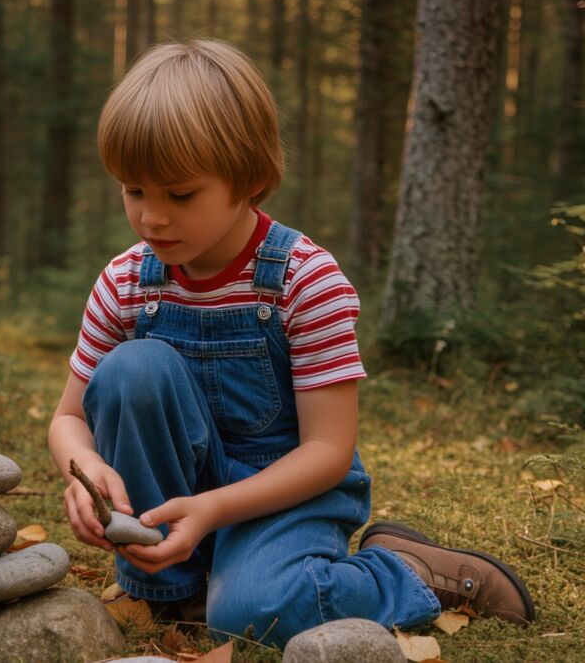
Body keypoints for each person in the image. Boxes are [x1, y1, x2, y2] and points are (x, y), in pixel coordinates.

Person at [46, 38, 535, 649]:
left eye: (180, 194)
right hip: (173, 517)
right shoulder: (125, 281)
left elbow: (329, 451)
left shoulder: (303, 279)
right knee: (131, 369)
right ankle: (175, 590)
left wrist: (215, 510)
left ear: (248, 180)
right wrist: (85, 468)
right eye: (133, 191)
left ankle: (410, 571)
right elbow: (69, 416)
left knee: (256, 615)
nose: (151, 218)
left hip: (282, 492)